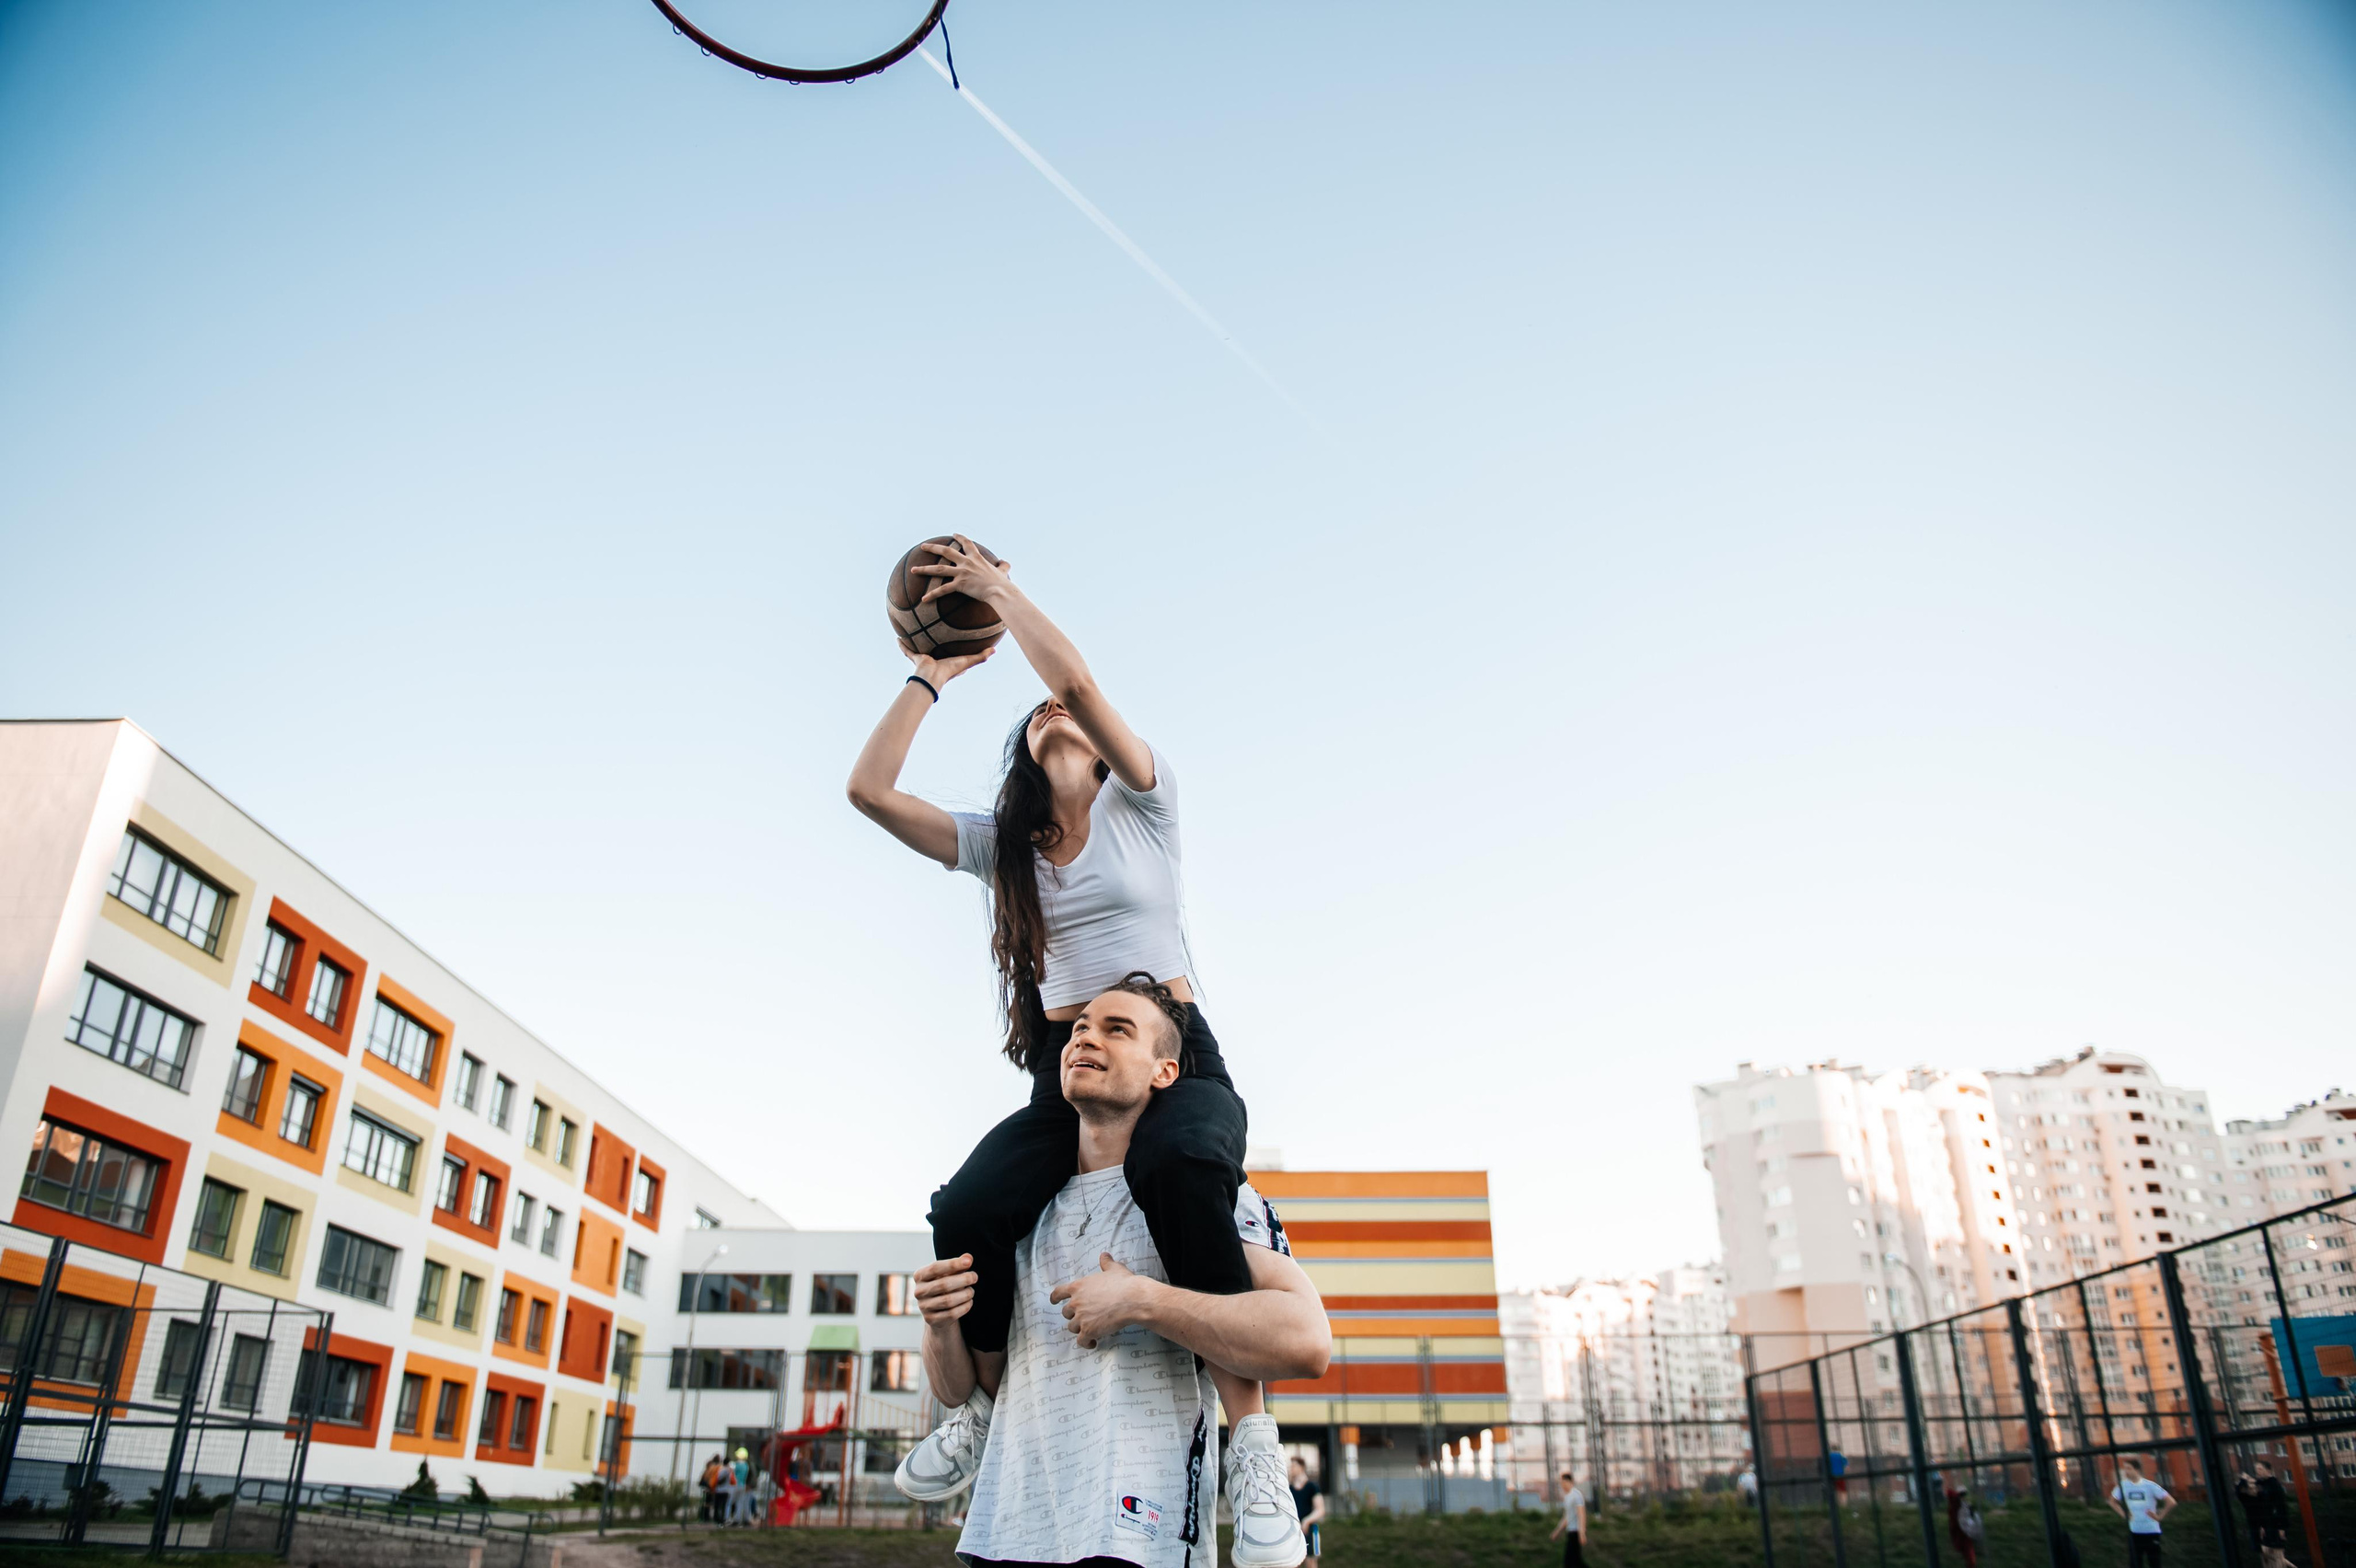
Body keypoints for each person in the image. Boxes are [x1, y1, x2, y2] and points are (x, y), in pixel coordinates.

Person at [849, 540, 1298, 1559]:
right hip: (1074, 1061)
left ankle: (1254, 1441)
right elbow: (869, 793)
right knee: (963, 1209)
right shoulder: (1002, 851)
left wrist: (1000, 595)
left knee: (1179, 1165)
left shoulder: (1147, 806)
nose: (1052, 714)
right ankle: (976, 1410)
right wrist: (933, 671)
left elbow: (1075, 680)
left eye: (1069, 719)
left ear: (1099, 749)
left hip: (1174, 1049)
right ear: (1021, 758)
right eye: (1036, 716)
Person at [907, 976, 1332, 1568]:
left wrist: (1142, 1299)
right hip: (1005, 1535)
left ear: (1165, 1071)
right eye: (1079, 1028)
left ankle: (1254, 1460)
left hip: (1141, 1538)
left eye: (1117, 1029)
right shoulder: (1017, 1208)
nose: (1086, 1037)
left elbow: (1307, 1343)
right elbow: (960, 1389)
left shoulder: (1202, 1195)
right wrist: (939, 1324)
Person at [2108, 1457, 2174, 1567]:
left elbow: (2171, 1502)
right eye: (2125, 1469)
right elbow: (2112, 1501)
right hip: (2135, 1531)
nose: (2126, 1472)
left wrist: (2160, 1516)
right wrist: (2124, 1515)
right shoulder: (2123, 1485)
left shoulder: (2150, 1485)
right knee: (2135, 1563)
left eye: (2129, 1469)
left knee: (2154, 1563)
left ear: (2137, 1470)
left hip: (2151, 1532)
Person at [2248, 1458, 2292, 1568]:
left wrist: (2282, 1527)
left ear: (2268, 1470)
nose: (2258, 1471)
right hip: (2263, 1526)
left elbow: (2281, 1507)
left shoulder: (2274, 1485)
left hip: (2273, 1524)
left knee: (2276, 1556)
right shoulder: (2258, 1484)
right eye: (2256, 1469)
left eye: (2260, 1469)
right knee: (2266, 1556)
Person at [1289, 1458, 1325, 1566]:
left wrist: (1306, 1521)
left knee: (1311, 1561)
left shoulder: (1311, 1487)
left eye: (1294, 1466)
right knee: (1292, 1562)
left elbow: (1320, 1509)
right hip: (1293, 1530)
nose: (1291, 1469)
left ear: (1301, 1467)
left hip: (1308, 1530)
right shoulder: (1288, 1489)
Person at [1549, 1470, 1587, 1567]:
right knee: (1575, 1561)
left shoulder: (1577, 1495)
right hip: (1570, 1532)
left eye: (1562, 1483)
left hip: (1576, 1532)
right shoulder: (1567, 1497)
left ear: (1568, 1482)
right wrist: (1557, 1531)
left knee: (1570, 1561)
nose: (1561, 1485)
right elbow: (1567, 1517)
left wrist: (1582, 1533)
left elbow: (1581, 1514)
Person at [1946, 1482, 1982, 1567]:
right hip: (1962, 1534)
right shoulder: (1956, 1506)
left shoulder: (1959, 1506)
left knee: (1969, 1555)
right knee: (1969, 1556)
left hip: (1963, 1533)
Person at [729, 1447, 757, 1527]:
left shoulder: (743, 1464)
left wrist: (749, 1485)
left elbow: (751, 1476)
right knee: (742, 1503)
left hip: (744, 1486)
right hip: (744, 1485)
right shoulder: (747, 1464)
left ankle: (743, 1519)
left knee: (741, 1502)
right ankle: (743, 1519)